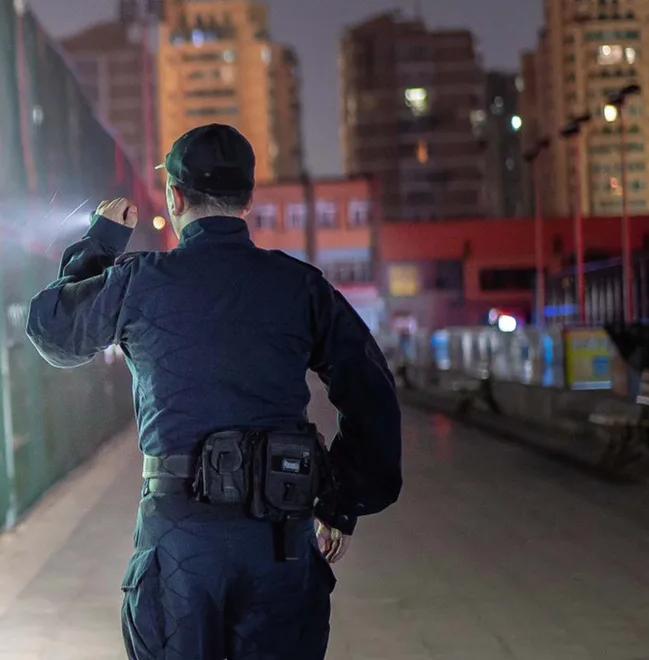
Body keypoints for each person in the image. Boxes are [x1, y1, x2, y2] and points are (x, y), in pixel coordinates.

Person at [25, 124, 402, 660]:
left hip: (179, 542)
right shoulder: (300, 286)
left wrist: (100, 244)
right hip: (281, 539)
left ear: (175, 197)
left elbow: (53, 333)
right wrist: (342, 501)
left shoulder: (140, 280)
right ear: (247, 200)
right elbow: (373, 392)